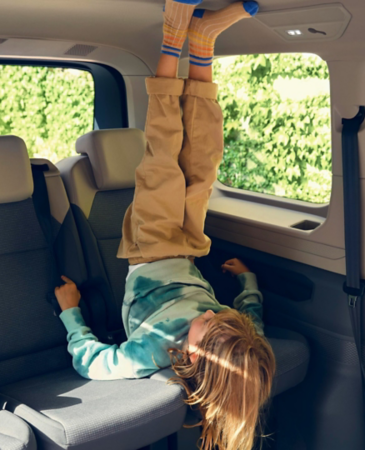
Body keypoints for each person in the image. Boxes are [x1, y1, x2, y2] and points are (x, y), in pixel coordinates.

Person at [53, 1, 275, 449]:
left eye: (209, 324)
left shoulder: (154, 350)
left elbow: (95, 363)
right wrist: (247, 281)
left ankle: (174, 35)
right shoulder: (236, 340)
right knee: (206, 157)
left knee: (164, 153)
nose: (212, 313)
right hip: (189, 245)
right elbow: (252, 319)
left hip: (151, 246)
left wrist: (70, 312)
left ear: (193, 353)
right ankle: (205, 41)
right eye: (222, 316)